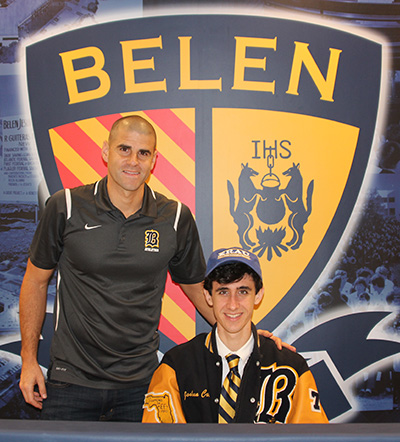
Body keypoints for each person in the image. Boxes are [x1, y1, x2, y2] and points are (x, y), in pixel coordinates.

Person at [19, 115, 287, 422]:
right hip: (71, 381)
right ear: (106, 152)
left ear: (154, 160)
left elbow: (198, 288)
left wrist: (243, 333)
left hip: (141, 384)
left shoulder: (173, 217)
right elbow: (35, 282)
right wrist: (29, 359)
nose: (133, 161)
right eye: (124, 149)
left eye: (143, 153)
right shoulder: (65, 206)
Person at [142, 247, 328, 424]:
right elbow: (159, 436)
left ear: (258, 295)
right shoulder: (176, 365)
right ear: (208, 296)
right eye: (223, 292)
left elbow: (314, 435)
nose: (233, 305)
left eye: (243, 291)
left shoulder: (291, 366)